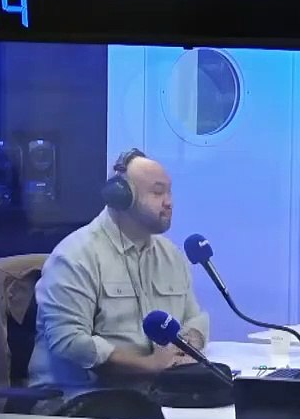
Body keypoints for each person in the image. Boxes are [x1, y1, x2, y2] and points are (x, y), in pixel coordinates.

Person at [28, 149, 210, 396]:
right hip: (78, 398)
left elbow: (195, 318)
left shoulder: (171, 256)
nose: (169, 202)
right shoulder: (75, 256)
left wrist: (188, 347)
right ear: (121, 197)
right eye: (158, 192)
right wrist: (149, 366)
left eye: (169, 192)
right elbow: (70, 341)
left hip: (151, 395)